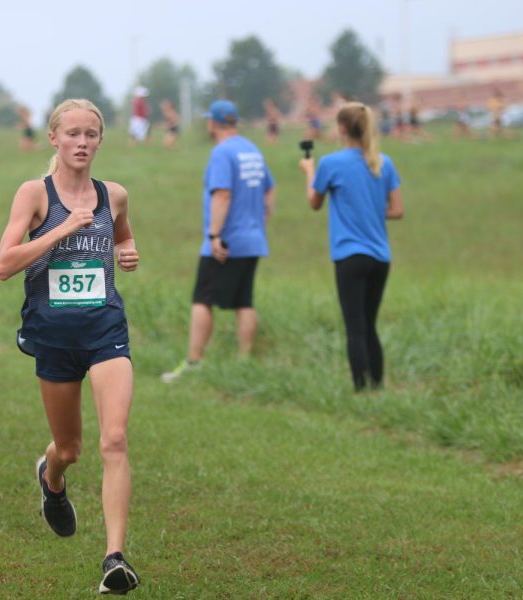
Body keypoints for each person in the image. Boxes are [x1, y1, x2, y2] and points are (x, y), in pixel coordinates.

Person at [0, 99, 141, 595]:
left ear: (101, 140)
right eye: (73, 134)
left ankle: (114, 559)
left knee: (114, 439)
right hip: (54, 337)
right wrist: (62, 228)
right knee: (71, 448)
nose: (82, 142)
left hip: (106, 331)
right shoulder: (34, 195)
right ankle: (51, 478)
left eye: (91, 134)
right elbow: (4, 263)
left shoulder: (113, 194)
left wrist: (126, 251)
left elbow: (121, 234)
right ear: (53, 139)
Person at [161, 100, 275, 383]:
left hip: (226, 241)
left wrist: (214, 235)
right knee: (244, 302)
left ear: (213, 123)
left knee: (203, 299)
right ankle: (245, 361)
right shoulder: (252, 150)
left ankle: (194, 362)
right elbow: (269, 190)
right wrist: (260, 223)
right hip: (252, 239)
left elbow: (222, 194)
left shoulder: (222, 153)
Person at [298, 102, 403, 391]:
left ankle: (361, 392)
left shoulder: (331, 164)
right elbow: (397, 210)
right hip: (380, 256)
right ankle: (378, 388)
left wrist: (309, 171)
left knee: (355, 329)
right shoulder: (384, 162)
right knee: (370, 325)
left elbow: (314, 203)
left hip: (350, 255)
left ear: (342, 129)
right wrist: (369, 209)